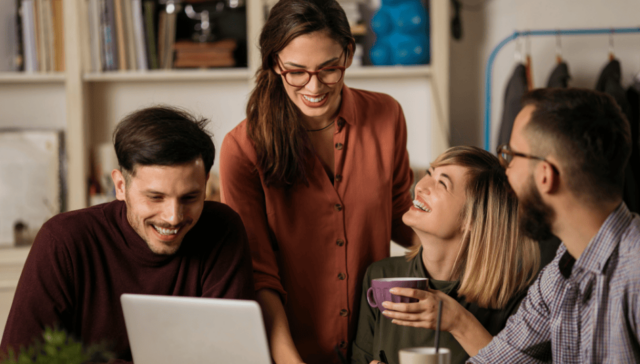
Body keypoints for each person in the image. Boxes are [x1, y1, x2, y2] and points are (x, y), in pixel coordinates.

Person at [219, 0, 416, 362]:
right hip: (289, 348)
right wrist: (288, 358)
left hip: (374, 347)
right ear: (274, 63)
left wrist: (468, 235)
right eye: (296, 71)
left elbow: (403, 217)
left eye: (329, 69)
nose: (314, 86)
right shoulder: (242, 149)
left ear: (349, 53)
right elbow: (258, 272)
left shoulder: (387, 115)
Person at [0, 106, 254, 363]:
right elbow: (19, 359)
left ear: (205, 184)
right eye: (155, 197)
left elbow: (227, 357)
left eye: (190, 197)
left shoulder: (223, 229)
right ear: (120, 186)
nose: (173, 216)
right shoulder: (63, 241)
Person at [468, 88, 640, 363]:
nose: (506, 171)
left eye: (510, 156)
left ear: (545, 175)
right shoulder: (562, 270)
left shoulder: (634, 272)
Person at [351, 146, 540, 364]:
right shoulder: (381, 275)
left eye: (442, 183)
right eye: (429, 174)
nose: (420, 186)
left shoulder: (515, 300)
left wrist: (458, 321)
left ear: (474, 218)